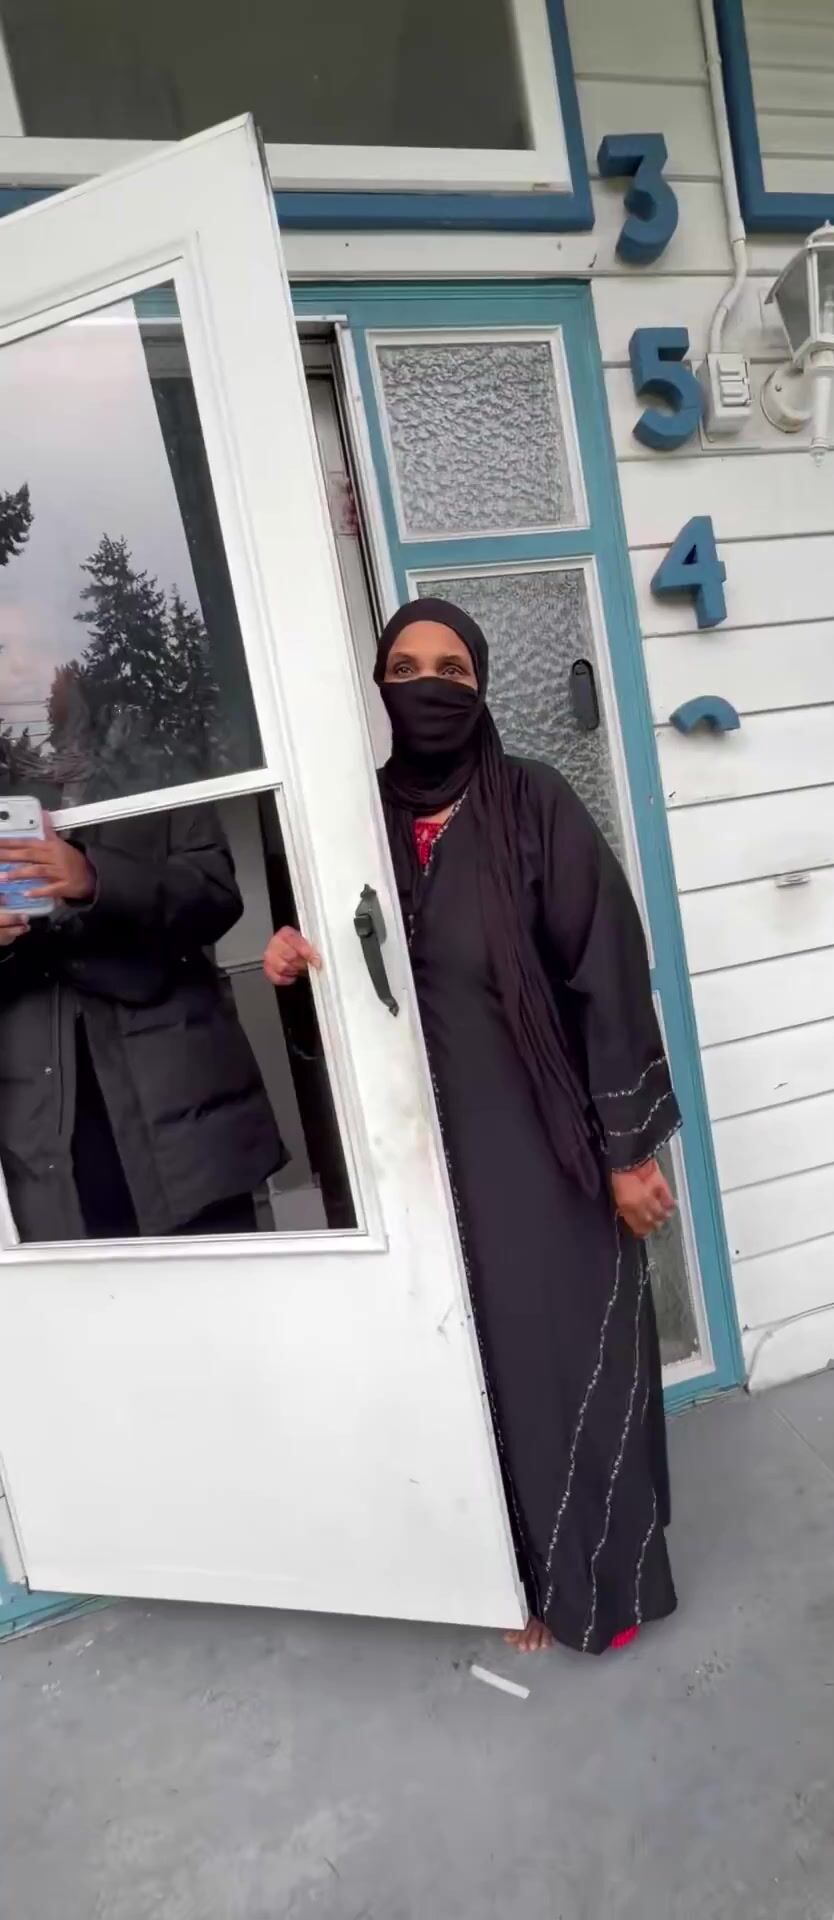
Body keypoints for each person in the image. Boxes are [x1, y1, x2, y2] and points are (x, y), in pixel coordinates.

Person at [263, 600, 680, 1656]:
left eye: (451, 668)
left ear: (481, 684)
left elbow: (609, 976)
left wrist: (628, 1151)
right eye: (405, 667)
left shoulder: (534, 803)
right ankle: (513, 1581)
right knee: (466, 1370)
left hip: (543, 1146)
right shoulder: (348, 826)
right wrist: (294, 974)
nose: (429, 685)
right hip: (414, 1153)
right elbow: (342, 1004)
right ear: (378, 686)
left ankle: (598, 1587)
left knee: (563, 1360)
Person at [0, 803, 284, 1241]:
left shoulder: (162, 772)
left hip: (181, 1113)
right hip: (34, 1130)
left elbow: (216, 894)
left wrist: (95, 878)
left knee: (221, 1273)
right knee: (82, 1273)